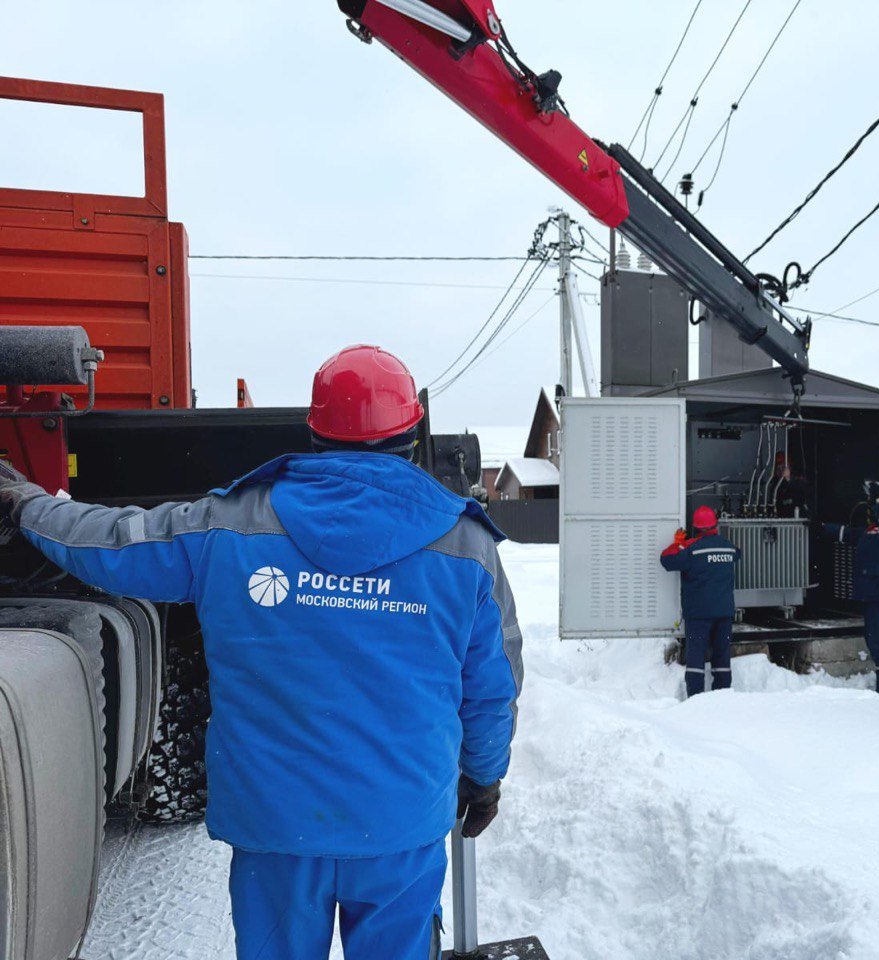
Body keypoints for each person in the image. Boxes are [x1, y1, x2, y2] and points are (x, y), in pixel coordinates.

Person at [0, 345, 523, 960]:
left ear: (314, 431)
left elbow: (113, 541)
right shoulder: (465, 548)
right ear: (411, 432)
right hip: (399, 831)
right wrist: (484, 778)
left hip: (276, 830)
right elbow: (492, 688)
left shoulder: (230, 527)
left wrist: (26, 503)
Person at [822, 485, 879, 696]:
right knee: (877, 641)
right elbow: (851, 534)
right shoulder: (874, 531)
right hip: (874, 594)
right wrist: (822, 527)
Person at [660, 505, 741, 696]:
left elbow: (666, 560)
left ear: (695, 527)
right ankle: (722, 696)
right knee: (722, 657)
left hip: (699, 615)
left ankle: (696, 699)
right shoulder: (728, 547)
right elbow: (738, 553)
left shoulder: (691, 550)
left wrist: (679, 543)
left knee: (696, 657)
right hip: (724, 613)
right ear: (715, 525)